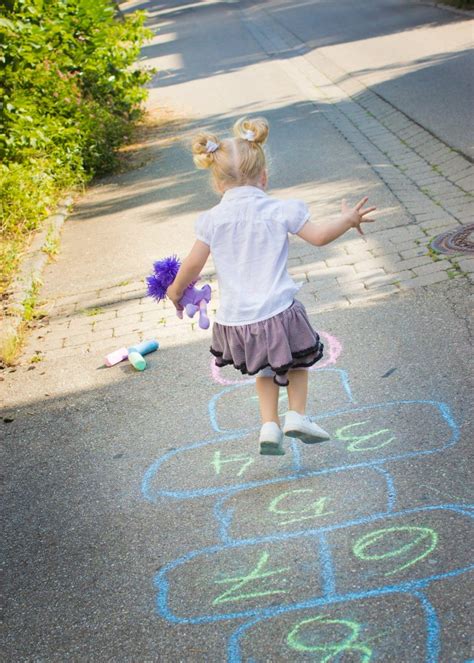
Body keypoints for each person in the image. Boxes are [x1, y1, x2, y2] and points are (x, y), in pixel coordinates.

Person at [167, 117, 376, 456]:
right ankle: (297, 416)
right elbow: (321, 236)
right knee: (296, 363)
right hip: (279, 313)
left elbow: (192, 265)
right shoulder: (280, 209)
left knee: (264, 371)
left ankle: (269, 426)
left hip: (238, 322)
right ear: (263, 177)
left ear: (218, 185)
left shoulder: (211, 220)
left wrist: (176, 292)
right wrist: (348, 220)